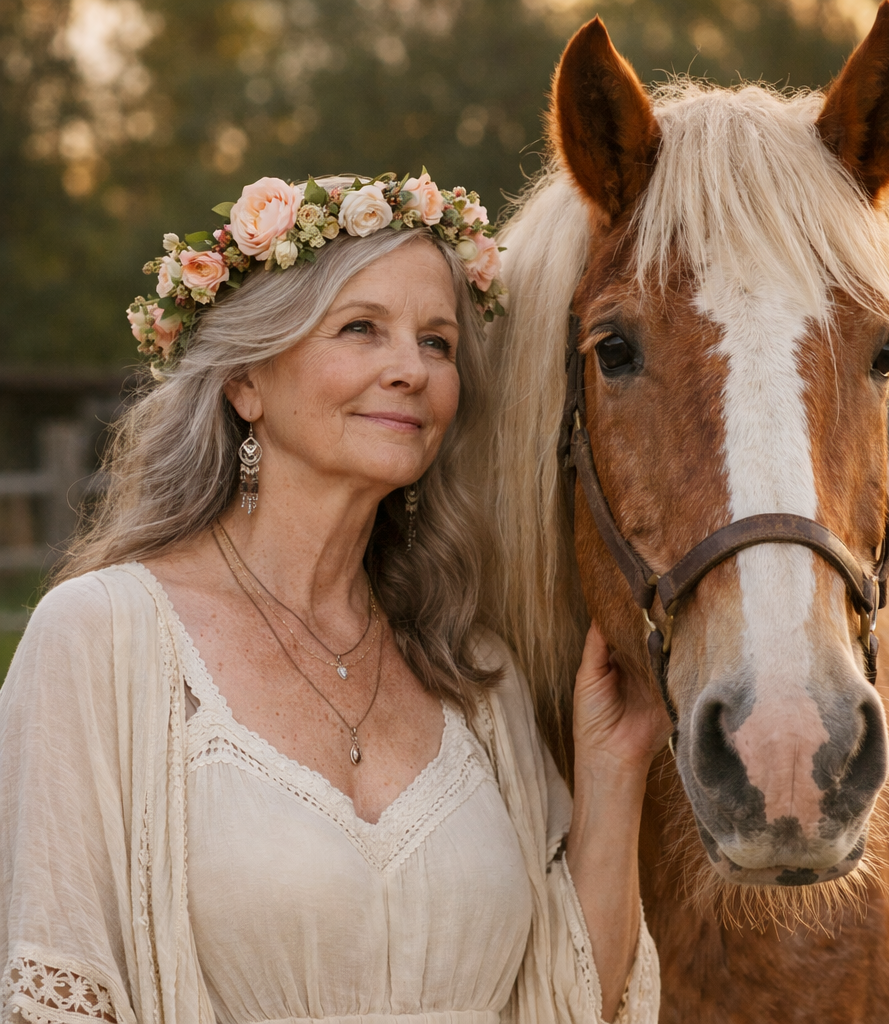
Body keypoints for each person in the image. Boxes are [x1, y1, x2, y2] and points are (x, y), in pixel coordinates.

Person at [0, 171, 668, 1024]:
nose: (410, 371)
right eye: (362, 328)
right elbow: (59, 992)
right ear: (246, 382)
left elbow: (570, 1006)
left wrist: (613, 765)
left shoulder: (472, 668)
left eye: (438, 342)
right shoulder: (101, 639)